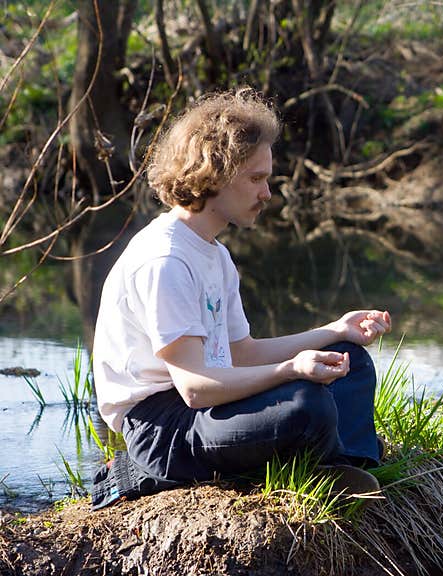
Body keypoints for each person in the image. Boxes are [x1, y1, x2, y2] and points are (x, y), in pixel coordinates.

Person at [89, 87, 391, 510]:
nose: (267, 193)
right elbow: (195, 388)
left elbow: (241, 354)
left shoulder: (214, 252)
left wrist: (333, 331)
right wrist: (290, 370)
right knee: (306, 401)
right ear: (214, 174)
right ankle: (319, 459)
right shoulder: (165, 260)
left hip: (206, 406)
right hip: (163, 427)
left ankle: (345, 464)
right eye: (256, 179)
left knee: (349, 360)